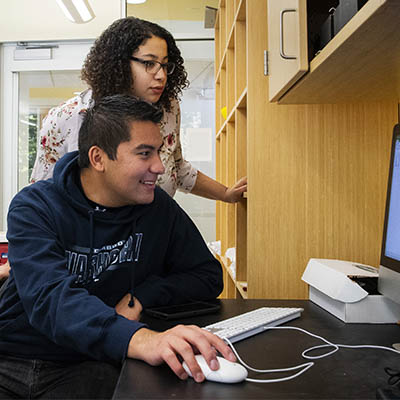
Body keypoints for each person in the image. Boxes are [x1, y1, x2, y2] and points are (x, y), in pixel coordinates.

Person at [0, 95, 235, 399]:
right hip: (13, 353)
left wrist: (142, 295)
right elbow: (51, 300)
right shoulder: (34, 206)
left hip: (86, 362)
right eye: (144, 153)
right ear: (98, 158)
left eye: (159, 151)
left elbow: (206, 276)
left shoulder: (157, 208)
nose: (160, 167)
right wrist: (140, 339)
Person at [0, 17, 247, 292]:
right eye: (149, 63)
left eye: (165, 65)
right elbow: (44, 198)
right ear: (118, 63)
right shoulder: (69, 117)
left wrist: (225, 194)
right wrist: (29, 258)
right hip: (86, 273)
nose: (161, 74)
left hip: (143, 263)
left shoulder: (168, 110)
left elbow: (176, 167)